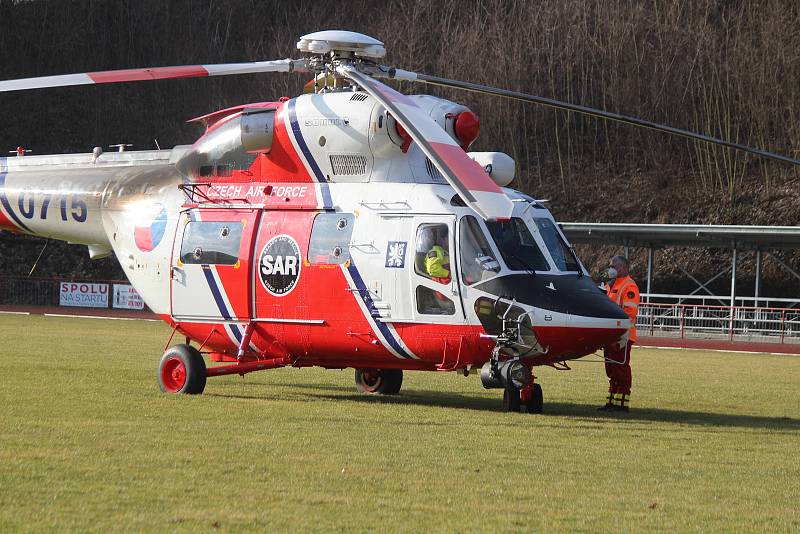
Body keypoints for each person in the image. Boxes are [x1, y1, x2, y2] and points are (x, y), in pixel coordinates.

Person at [599, 255, 640, 412]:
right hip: (611, 335)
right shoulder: (612, 285)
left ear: (623, 268)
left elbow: (630, 313)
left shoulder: (629, 286)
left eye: (613, 266)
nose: (611, 269)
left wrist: (623, 335)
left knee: (620, 368)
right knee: (611, 369)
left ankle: (622, 403)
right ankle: (611, 401)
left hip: (622, 335)